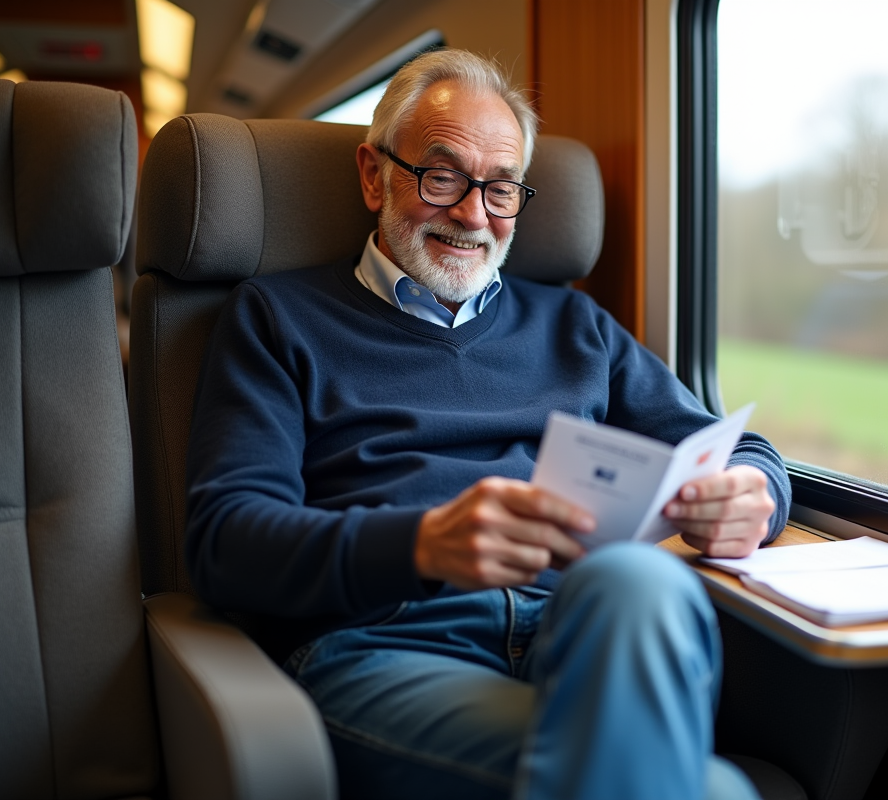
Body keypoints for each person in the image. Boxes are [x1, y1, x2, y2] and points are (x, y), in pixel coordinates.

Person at [186, 48, 791, 800]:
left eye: (500, 190)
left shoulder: (577, 326)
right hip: (387, 646)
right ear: (374, 175)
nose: (473, 215)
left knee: (639, 577)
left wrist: (753, 491)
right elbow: (223, 539)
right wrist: (422, 543)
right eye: (442, 177)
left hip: (574, 633)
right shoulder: (277, 318)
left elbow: (737, 448)